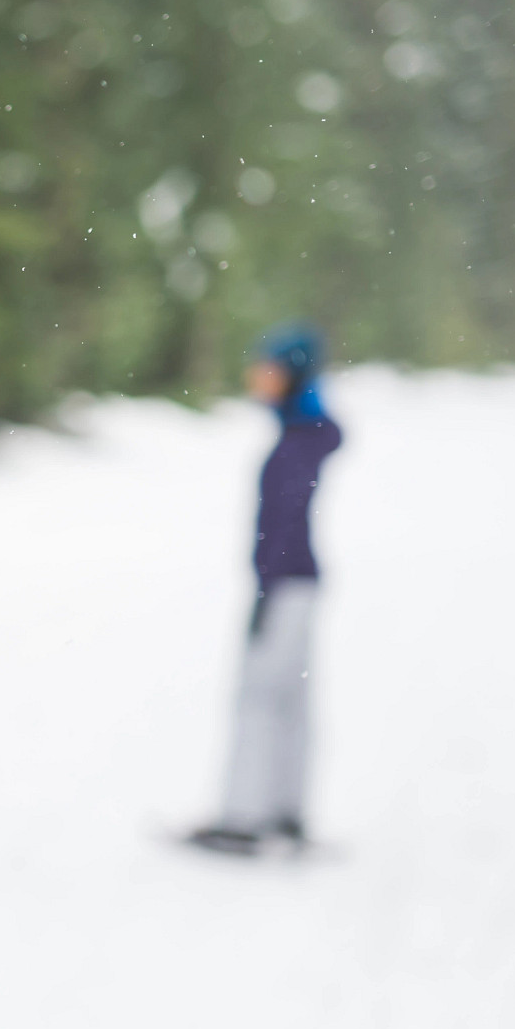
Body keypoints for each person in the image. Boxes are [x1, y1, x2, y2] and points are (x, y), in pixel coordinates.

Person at [187, 321, 343, 856]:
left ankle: (245, 817)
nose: (258, 377)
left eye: (269, 368)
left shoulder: (298, 442)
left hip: (285, 586)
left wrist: (267, 592)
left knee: (260, 697)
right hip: (296, 583)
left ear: (293, 375)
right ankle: (282, 811)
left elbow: (284, 523)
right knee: (288, 698)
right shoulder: (299, 433)